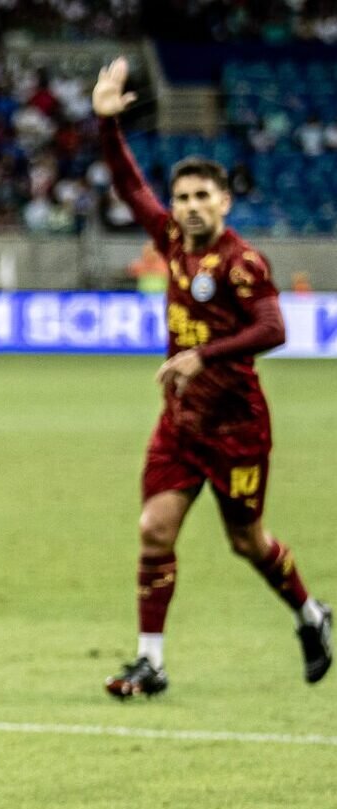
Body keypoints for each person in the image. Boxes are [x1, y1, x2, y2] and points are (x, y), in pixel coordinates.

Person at [91, 57, 329, 696]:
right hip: (181, 423)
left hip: (237, 427)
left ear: (224, 202)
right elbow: (126, 186)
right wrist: (107, 123)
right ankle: (152, 662)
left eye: (203, 197)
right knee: (153, 529)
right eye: (183, 197)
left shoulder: (242, 262)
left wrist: (206, 355)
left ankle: (309, 615)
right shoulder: (170, 240)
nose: (191, 207)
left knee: (248, 543)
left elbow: (275, 330)